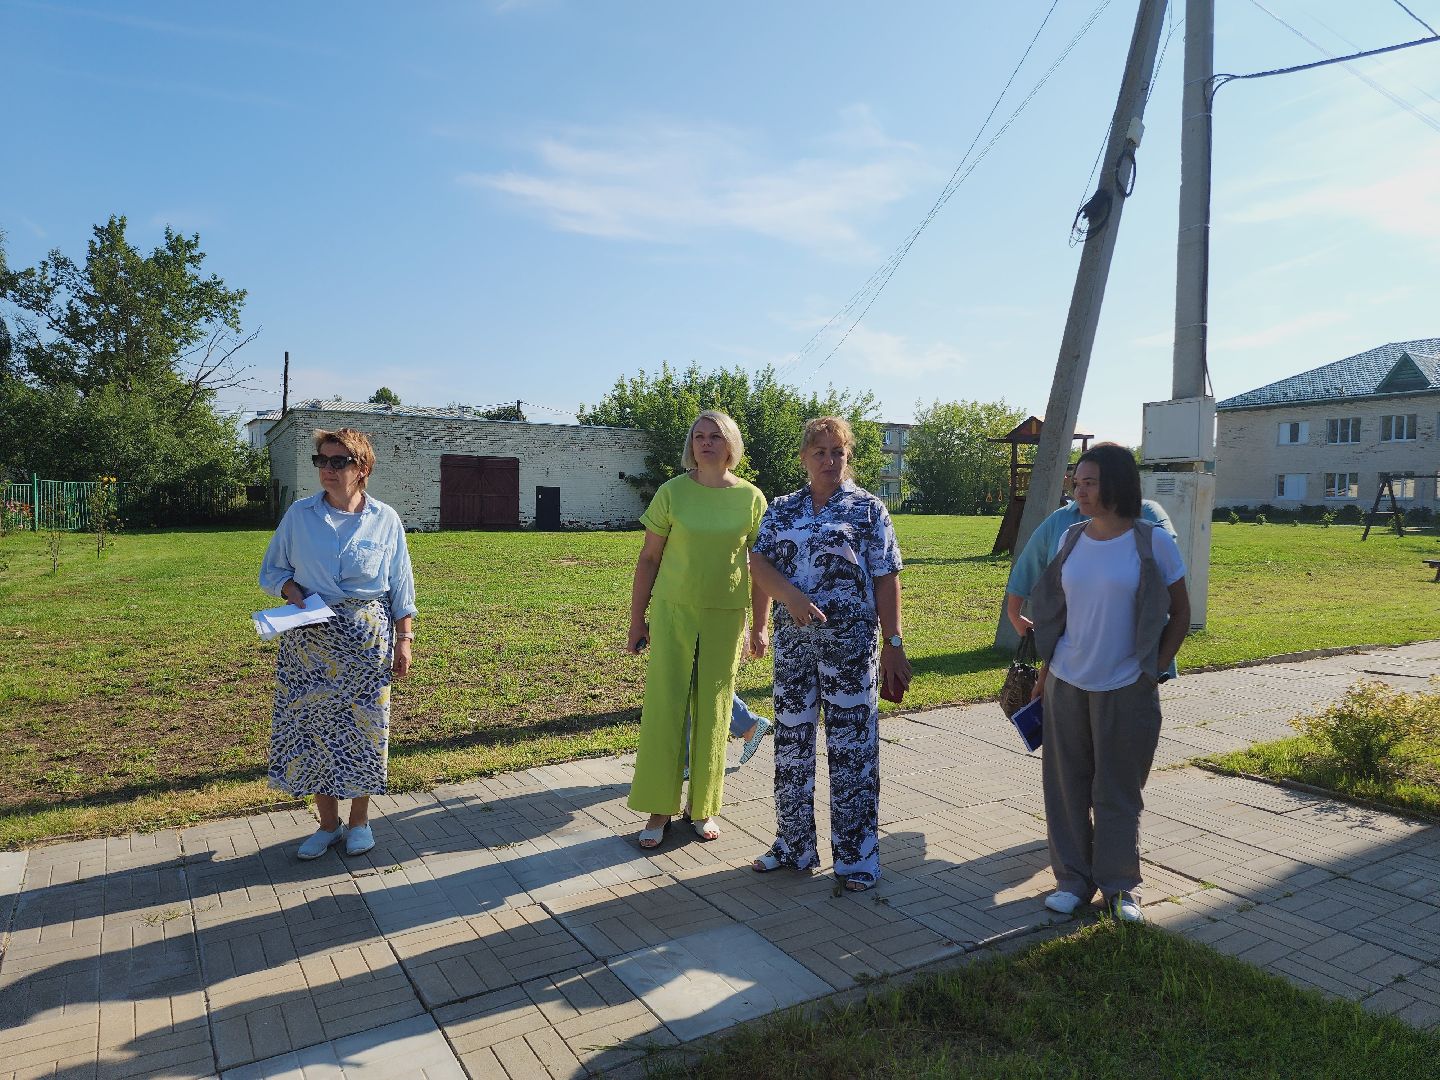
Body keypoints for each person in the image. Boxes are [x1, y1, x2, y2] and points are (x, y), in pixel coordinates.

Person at [747, 416, 910, 892]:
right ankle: (793, 846)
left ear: (848, 457)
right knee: (792, 748)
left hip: (851, 650)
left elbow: (886, 576)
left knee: (853, 752)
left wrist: (894, 642)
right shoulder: (782, 509)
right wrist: (788, 599)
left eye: (838, 452)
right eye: (819, 452)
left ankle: (857, 859)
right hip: (794, 651)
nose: (829, 461)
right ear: (804, 458)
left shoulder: (867, 510)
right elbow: (758, 563)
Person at [1028, 443, 1190, 922]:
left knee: (1118, 790)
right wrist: (1043, 677)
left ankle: (1119, 888)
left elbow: (1181, 613)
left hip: (1125, 686)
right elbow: (1056, 615)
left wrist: (1155, 668)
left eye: (1089, 482)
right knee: (1065, 788)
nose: (1079, 490)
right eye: (1077, 482)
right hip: (1066, 681)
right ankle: (1072, 881)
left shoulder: (1151, 541)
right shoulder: (1070, 538)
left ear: (1116, 484)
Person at [259, 428, 417, 860]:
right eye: (321, 461)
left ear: (362, 468)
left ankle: (360, 821)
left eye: (337, 461)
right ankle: (327, 824)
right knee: (312, 731)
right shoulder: (299, 515)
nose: (326, 470)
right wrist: (297, 596)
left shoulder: (386, 519)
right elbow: (272, 572)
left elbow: (401, 586)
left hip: (367, 642)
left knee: (364, 730)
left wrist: (405, 639)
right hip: (309, 644)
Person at [627, 411, 768, 848]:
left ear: (731, 445)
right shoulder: (672, 492)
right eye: (699, 436)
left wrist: (760, 627)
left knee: (715, 710)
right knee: (667, 709)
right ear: (692, 444)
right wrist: (637, 620)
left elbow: (761, 569)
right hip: (674, 613)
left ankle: (703, 808)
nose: (706, 443)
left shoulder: (751, 498)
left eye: (716, 436)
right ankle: (658, 811)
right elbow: (649, 558)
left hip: (726, 616)